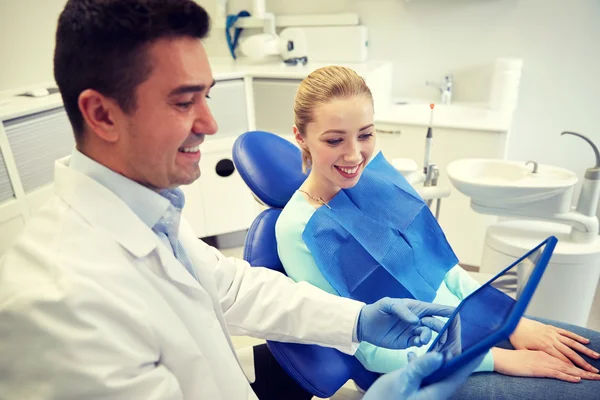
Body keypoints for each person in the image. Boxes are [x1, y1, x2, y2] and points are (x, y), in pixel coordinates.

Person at [0, 1, 482, 399]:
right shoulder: (60, 305)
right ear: (102, 114)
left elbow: (230, 287)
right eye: (184, 102)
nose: (210, 125)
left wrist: (357, 319)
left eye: (206, 97)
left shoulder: (147, 214)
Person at [275, 65, 600, 397]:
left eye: (366, 134)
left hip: (475, 328)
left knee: (594, 351)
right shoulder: (298, 229)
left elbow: (444, 270)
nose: (355, 154)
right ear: (300, 137)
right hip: (420, 367)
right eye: (334, 140)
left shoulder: (375, 180)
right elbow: (365, 346)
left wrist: (508, 320)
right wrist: (495, 358)